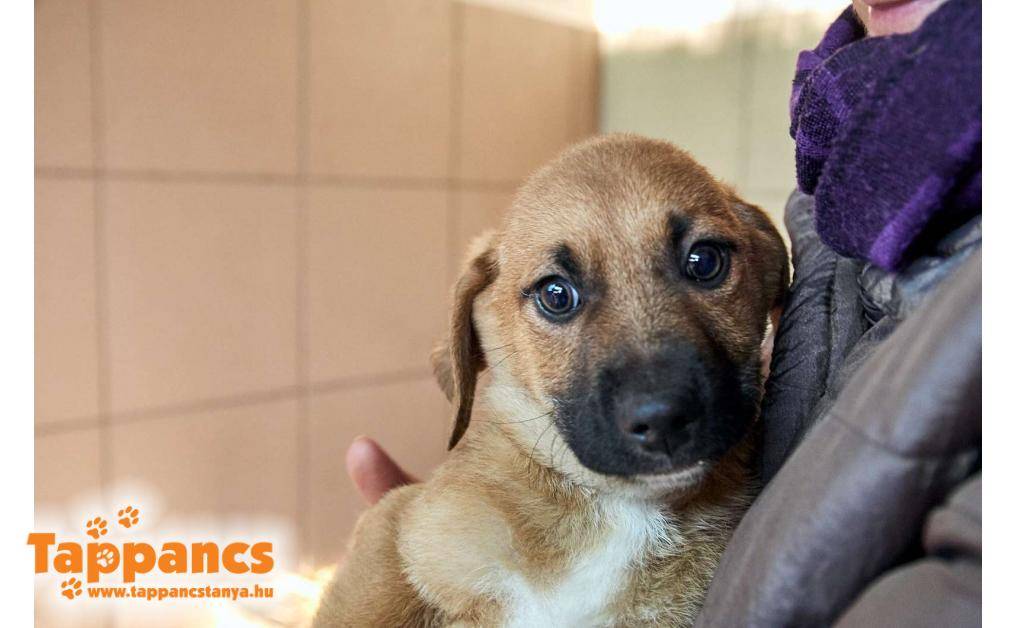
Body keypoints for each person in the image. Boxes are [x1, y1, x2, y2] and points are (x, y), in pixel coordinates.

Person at [346, 0, 982, 625]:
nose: (656, 402)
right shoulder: (832, 225)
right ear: (481, 337)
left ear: (769, 276)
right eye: (558, 297)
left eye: (704, 264)